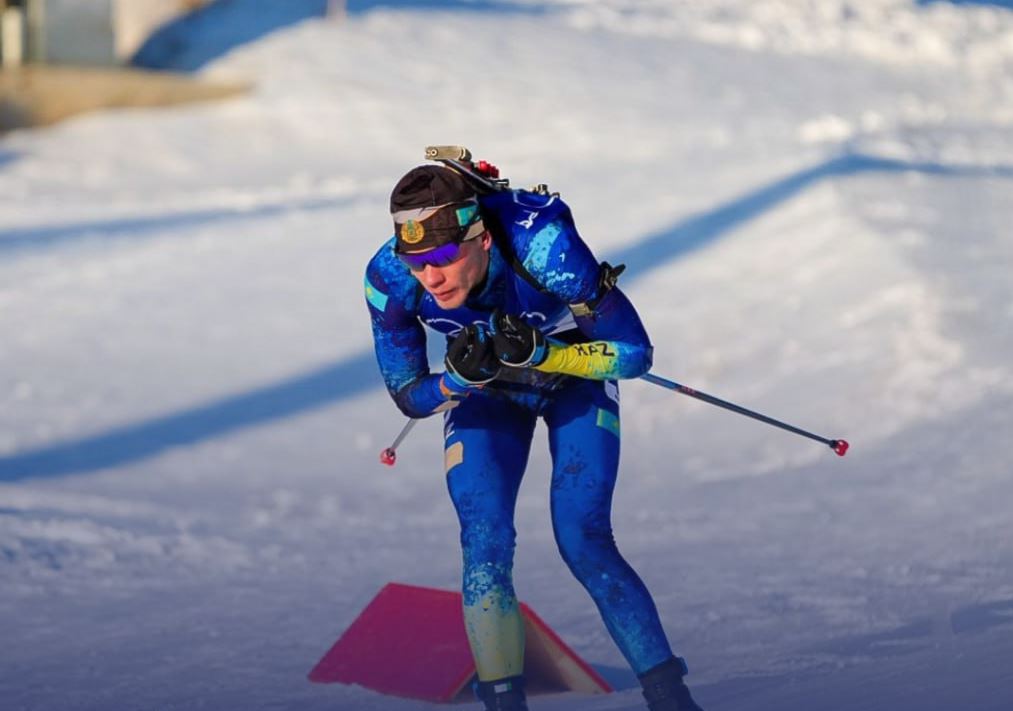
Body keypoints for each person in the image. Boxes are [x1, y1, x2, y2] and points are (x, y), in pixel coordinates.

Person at [364, 161, 705, 711]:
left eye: (446, 258)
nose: (432, 278)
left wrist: (553, 353)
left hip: (574, 380)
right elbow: (408, 394)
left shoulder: (542, 244)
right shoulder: (388, 277)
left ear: (480, 239)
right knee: (484, 542)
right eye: (418, 262)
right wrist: (454, 380)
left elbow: (635, 355)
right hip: (487, 393)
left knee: (583, 538)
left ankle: (672, 700)